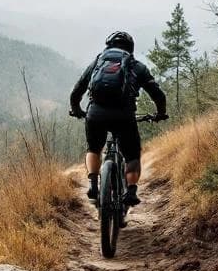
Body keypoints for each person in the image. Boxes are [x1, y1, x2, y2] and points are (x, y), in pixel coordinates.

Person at [69, 31, 168, 206]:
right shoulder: (137, 67)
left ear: (108, 46)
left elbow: (77, 91)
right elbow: (158, 95)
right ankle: (131, 191)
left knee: (93, 148)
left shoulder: (97, 63)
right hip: (124, 116)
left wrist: (77, 109)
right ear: (131, 49)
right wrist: (160, 113)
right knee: (131, 155)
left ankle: (93, 185)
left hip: (96, 114)